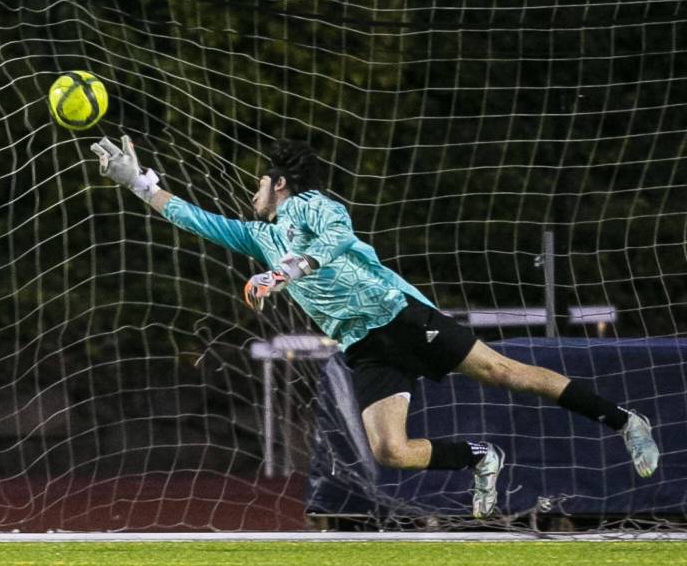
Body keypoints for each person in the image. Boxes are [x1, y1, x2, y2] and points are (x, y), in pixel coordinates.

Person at [89, 134, 660, 518]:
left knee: (505, 371)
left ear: (280, 184)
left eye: (259, 184)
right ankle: (480, 456)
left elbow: (334, 242)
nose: (252, 192)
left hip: (397, 315)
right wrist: (137, 181)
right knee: (389, 450)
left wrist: (291, 269)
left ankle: (623, 420)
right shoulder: (260, 236)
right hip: (363, 343)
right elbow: (195, 219)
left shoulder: (313, 205)